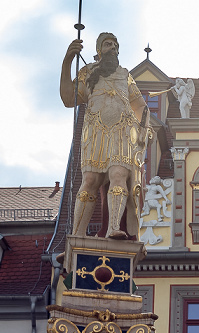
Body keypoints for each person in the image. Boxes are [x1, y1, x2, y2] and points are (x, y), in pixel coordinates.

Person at [60, 33, 151, 240]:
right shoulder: (88, 72)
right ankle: (78, 234)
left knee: (119, 176)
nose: (113, 48)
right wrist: (67, 62)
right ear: (99, 51)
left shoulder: (125, 75)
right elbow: (68, 98)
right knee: (90, 180)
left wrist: (144, 128)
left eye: (115, 45)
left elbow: (140, 107)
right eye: (108, 44)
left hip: (122, 131)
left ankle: (113, 229)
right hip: (95, 130)